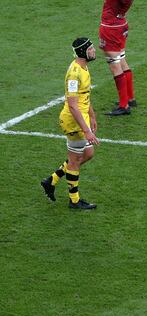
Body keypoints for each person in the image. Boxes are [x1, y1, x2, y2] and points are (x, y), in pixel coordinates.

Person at [40, 38, 100, 210]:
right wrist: (86, 130)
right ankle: (74, 200)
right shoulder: (74, 74)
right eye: (91, 48)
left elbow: (84, 96)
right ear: (82, 52)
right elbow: (73, 105)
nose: (94, 51)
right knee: (75, 161)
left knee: (88, 154)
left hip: (82, 118)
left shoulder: (84, 67)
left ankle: (52, 180)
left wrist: (92, 116)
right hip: (74, 122)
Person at [98, 0, 140, 116]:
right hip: (122, 25)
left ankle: (124, 105)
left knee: (114, 64)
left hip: (111, 27)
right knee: (121, 59)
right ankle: (130, 98)